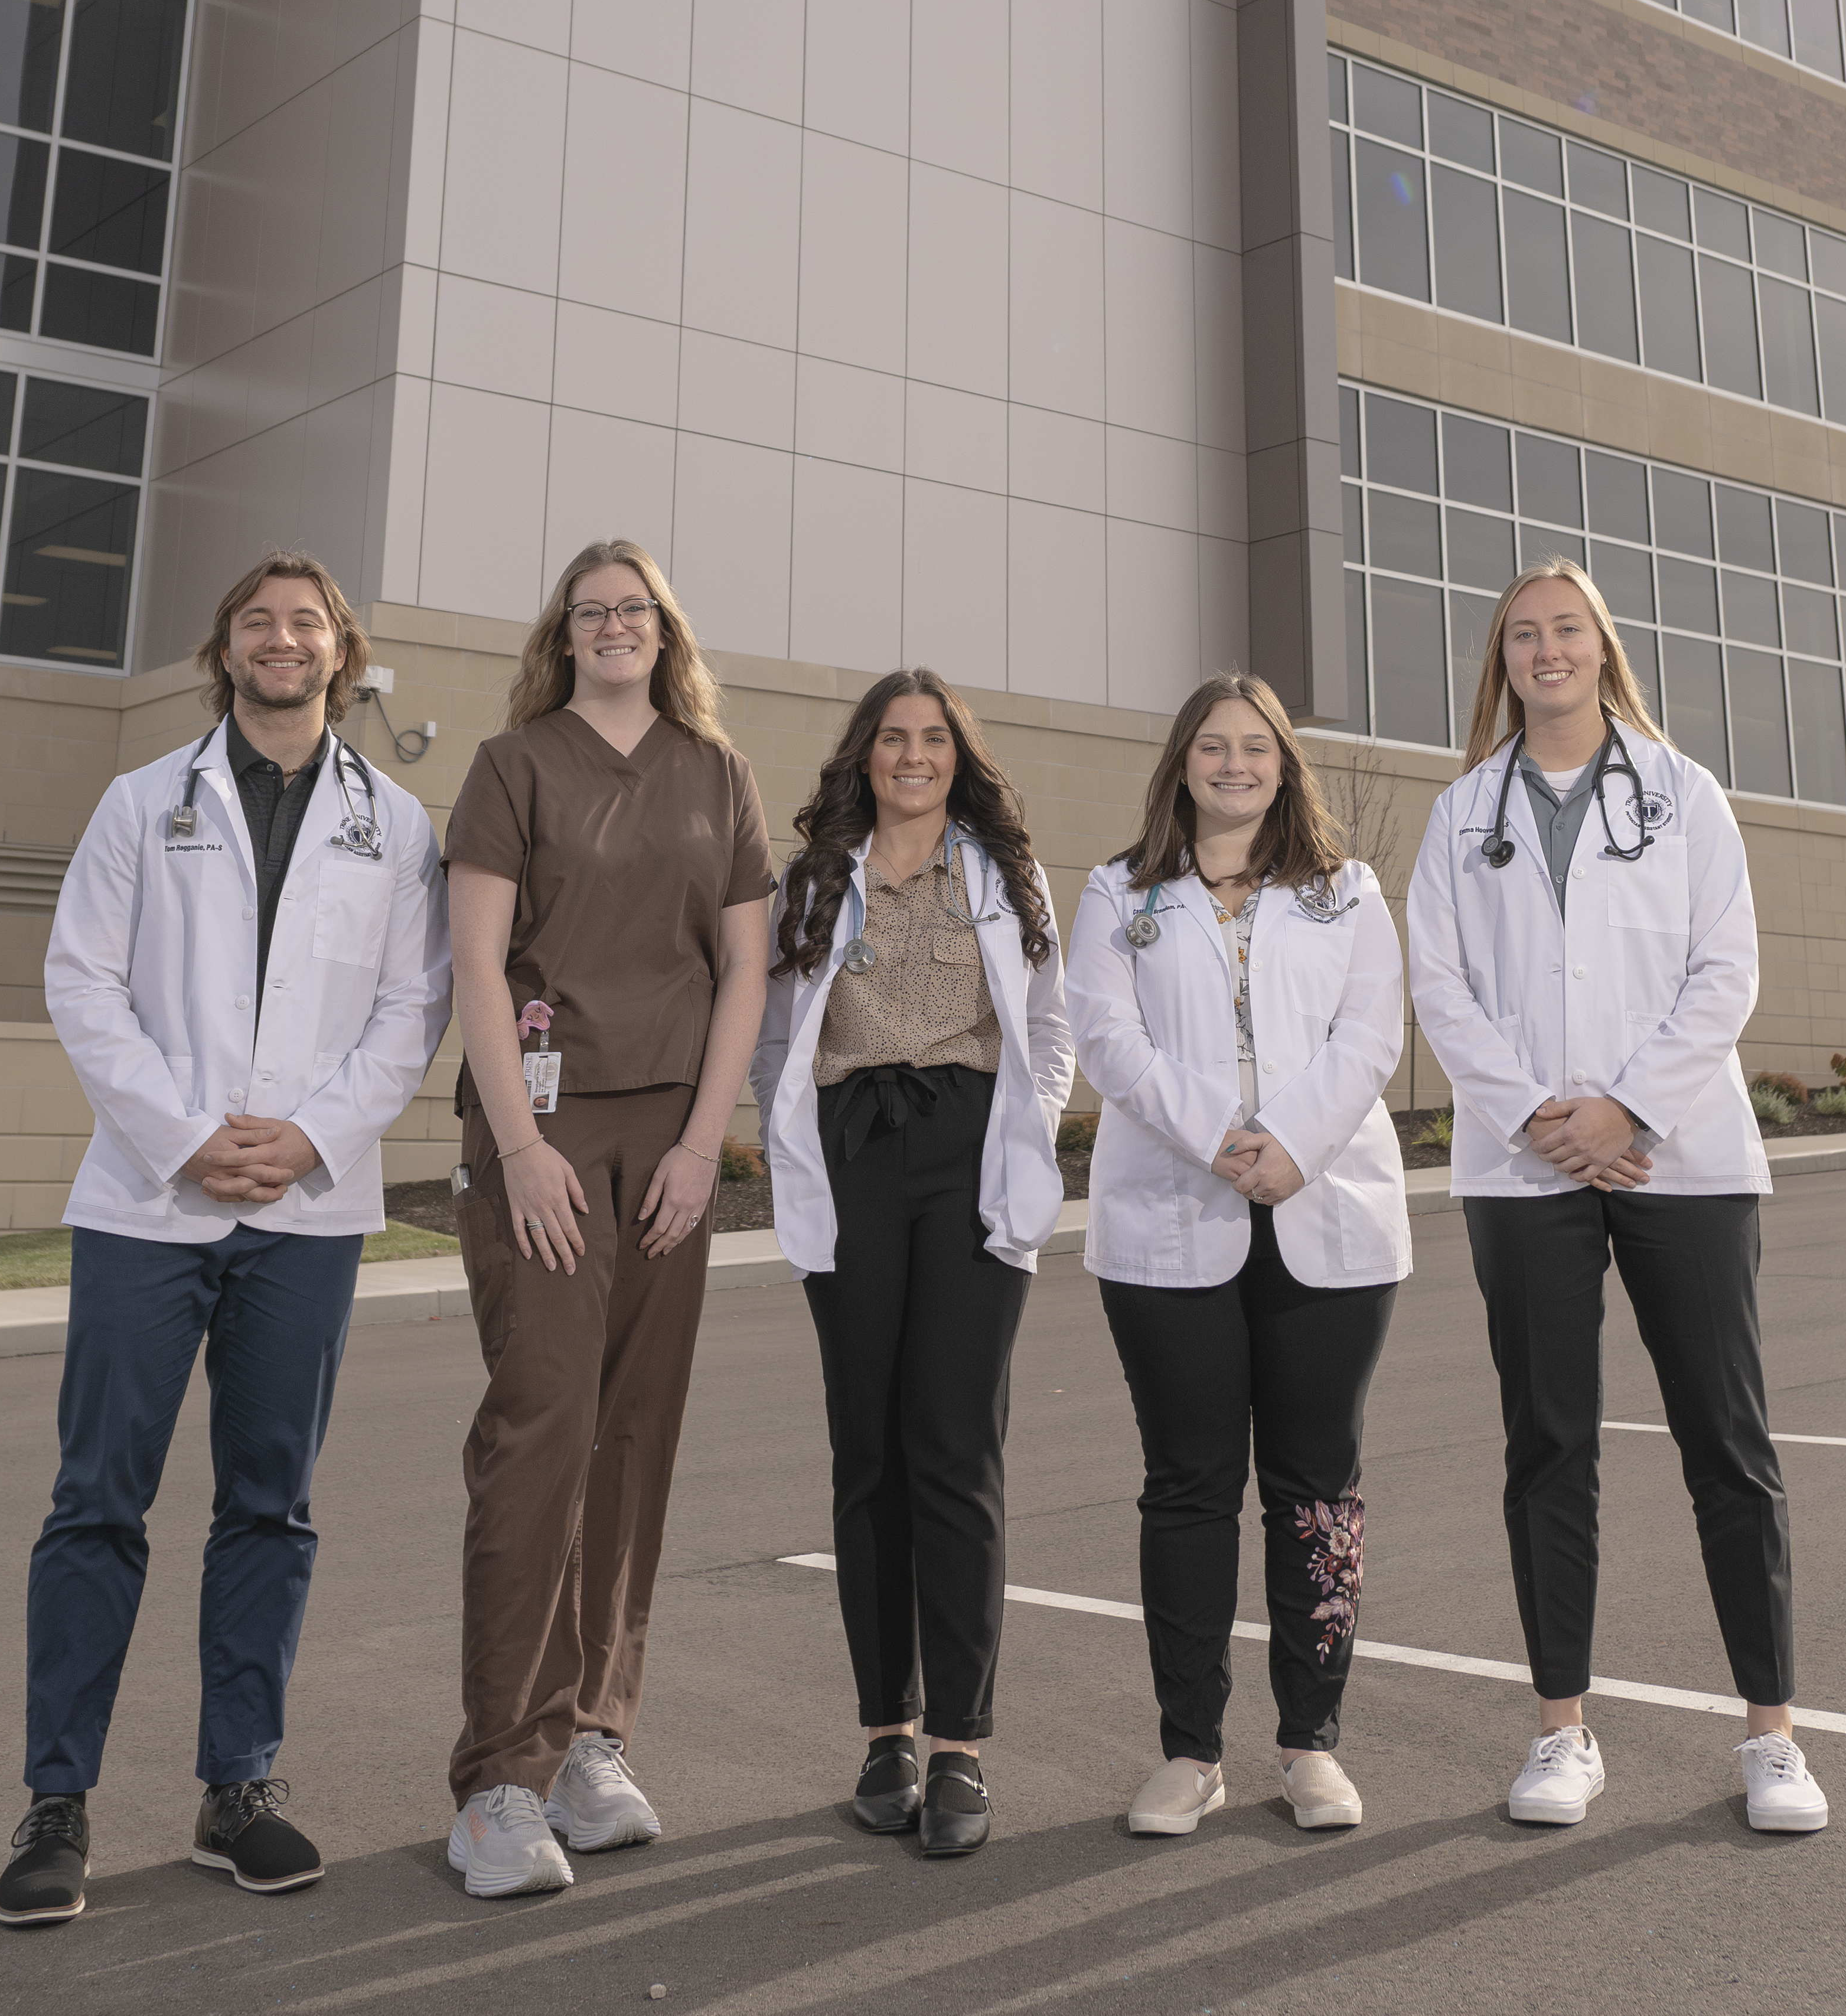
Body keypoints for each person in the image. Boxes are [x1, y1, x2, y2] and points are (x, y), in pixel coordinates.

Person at [0, 553, 451, 1922]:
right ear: (227, 648)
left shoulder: (394, 823)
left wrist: (307, 1141)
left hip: (307, 1213)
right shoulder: (143, 801)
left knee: (270, 1503)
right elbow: (82, 980)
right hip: (149, 1205)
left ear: (340, 652)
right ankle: (57, 1802)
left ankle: (237, 1786)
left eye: (305, 622)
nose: (281, 638)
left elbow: (413, 1007)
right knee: (97, 1500)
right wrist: (187, 1136)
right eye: (258, 621)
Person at [1403, 561, 1829, 1837]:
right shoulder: (1461, 812)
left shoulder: (1682, 792)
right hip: (1524, 1160)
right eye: (1521, 635)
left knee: (1727, 1444)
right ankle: (1561, 1731)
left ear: (1602, 648)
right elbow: (1439, 985)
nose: (1545, 650)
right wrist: (1541, 1115)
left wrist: (1627, 1109)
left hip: (1678, 1156)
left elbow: (1726, 970)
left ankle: (1772, 1737)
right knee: (1548, 1444)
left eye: (1566, 630)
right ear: (1502, 662)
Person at [439, 540, 781, 1898]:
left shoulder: (718, 775)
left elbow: (745, 969)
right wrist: (520, 1147)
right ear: (564, 634)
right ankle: (496, 1781)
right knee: (542, 1431)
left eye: (633, 609)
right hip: (547, 1129)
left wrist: (705, 1146)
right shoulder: (512, 767)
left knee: (633, 1440)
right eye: (591, 612)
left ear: (666, 630)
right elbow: (476, 959)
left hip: (670, 1144)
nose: (613, 626)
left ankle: (592, 1740)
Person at [1065, 674, 1409, 1841]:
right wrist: (1218, 1137)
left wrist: (1292, 1144)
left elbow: (1370, 1035)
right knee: (1189, 1486)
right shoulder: (1120, 890)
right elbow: (1107, 1038)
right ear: (1181, 763)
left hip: (1328, 1214)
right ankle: (1189, 1751)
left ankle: (1311, 1744)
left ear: (1283, 764)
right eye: (1211, 746)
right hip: (1169, 1215)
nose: (1233, 763)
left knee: (1316, 1489)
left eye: (1255, 746)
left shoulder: (1344, 891)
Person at [751, 670, 1072, 1859]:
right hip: (851, 1153)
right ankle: (886, 1729)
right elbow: (777, 1036)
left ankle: (958, 1746)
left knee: (955, 1446)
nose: (912, 755)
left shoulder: (1005, 874)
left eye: (934, 738)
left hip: (970, 1149)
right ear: (863, 756)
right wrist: (795, 1135)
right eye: (892, 738)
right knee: (868, 1450)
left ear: (959, 756)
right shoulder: (812, 881)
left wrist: (1029, 1130)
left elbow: (1049, 1025)